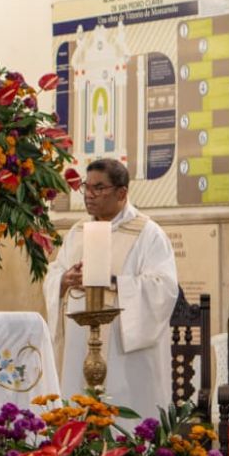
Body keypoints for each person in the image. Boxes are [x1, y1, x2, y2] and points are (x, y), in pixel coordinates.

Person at [43, 158, 178, 419]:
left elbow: (164, 288)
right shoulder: (77, 232)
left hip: (123, 355)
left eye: (99, 188)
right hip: (78, 346)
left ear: (122, 193)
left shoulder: (148, 234)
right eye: (86, 187)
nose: (89, 195)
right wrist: (63, 280)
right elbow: (55, 271)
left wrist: (115, 281)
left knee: (124, 419)